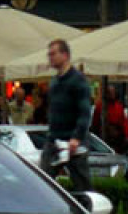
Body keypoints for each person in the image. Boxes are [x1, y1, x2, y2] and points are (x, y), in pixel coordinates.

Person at [39, 39, 92, 192]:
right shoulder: (54, 81)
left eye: (53, 54)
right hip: (54, 140)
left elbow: (84, 112)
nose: (50, 57)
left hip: (73, 142)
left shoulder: (78, 80)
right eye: (49, 54)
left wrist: (76, 137)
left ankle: (89, 210)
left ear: (65, 55)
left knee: (82, 185)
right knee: (43, 182)